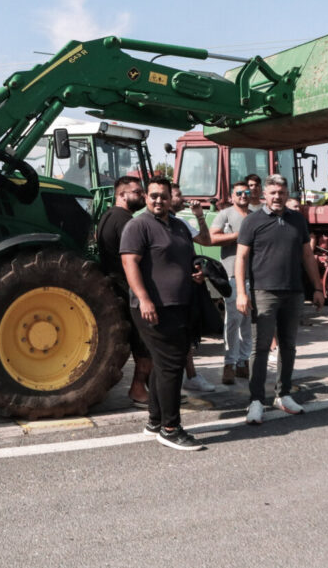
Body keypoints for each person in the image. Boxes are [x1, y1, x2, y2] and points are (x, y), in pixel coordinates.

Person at [121, 176, 206, 451]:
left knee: (164, 363)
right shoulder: (138, 225)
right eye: (154, 195)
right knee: (171, 364)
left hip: (179, 304)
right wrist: (144, 299)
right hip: (153, 307)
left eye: (164, 196)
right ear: (146, 197)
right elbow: (129, 263)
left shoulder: (180, 226)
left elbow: (187, 257)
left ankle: (156, 421)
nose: (159, 200)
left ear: (171, 199)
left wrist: (196, 274)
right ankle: (171, 428)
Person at [235, 174, 324, 423]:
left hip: (294, 291)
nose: (277, 197)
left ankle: (283, 395)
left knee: (289, 346)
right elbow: (241, 258)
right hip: (263, 292)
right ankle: (255, 401)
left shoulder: (298, 220)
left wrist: (317, 287)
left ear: (287, 194)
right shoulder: (252, 221)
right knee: (260, 347)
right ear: (264, 194)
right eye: (273, 192)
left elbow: (308, 256)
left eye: (281, 193)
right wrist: (242, 293)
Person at [95, 175, 152, 405]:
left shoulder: (107, 217)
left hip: (115, 284)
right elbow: (133, 258)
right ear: (122, 195)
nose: (142, 196)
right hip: (127, 287)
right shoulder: (126, 221)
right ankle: (138, 389)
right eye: (137, 192)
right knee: (144, 342)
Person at [168, 183, 216, 392]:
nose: (183, 198)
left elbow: (206, 240)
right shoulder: (150, 223)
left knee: (186, 335)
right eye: (178, 195)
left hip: (185, 288)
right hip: (165, 290)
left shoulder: (181, 222)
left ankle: (191, 376)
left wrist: (199, 216)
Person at [209, 181, 254, 384]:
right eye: (239, 193)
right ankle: (230, 363)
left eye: (246, 192)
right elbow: (212, 237)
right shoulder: (225, 214)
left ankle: (244, 362)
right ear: (232, 195)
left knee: (247, 319)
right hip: (232, 275)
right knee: (233, 319)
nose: (243, 196)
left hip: (253, 276)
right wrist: (239, 236)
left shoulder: (255, 215)